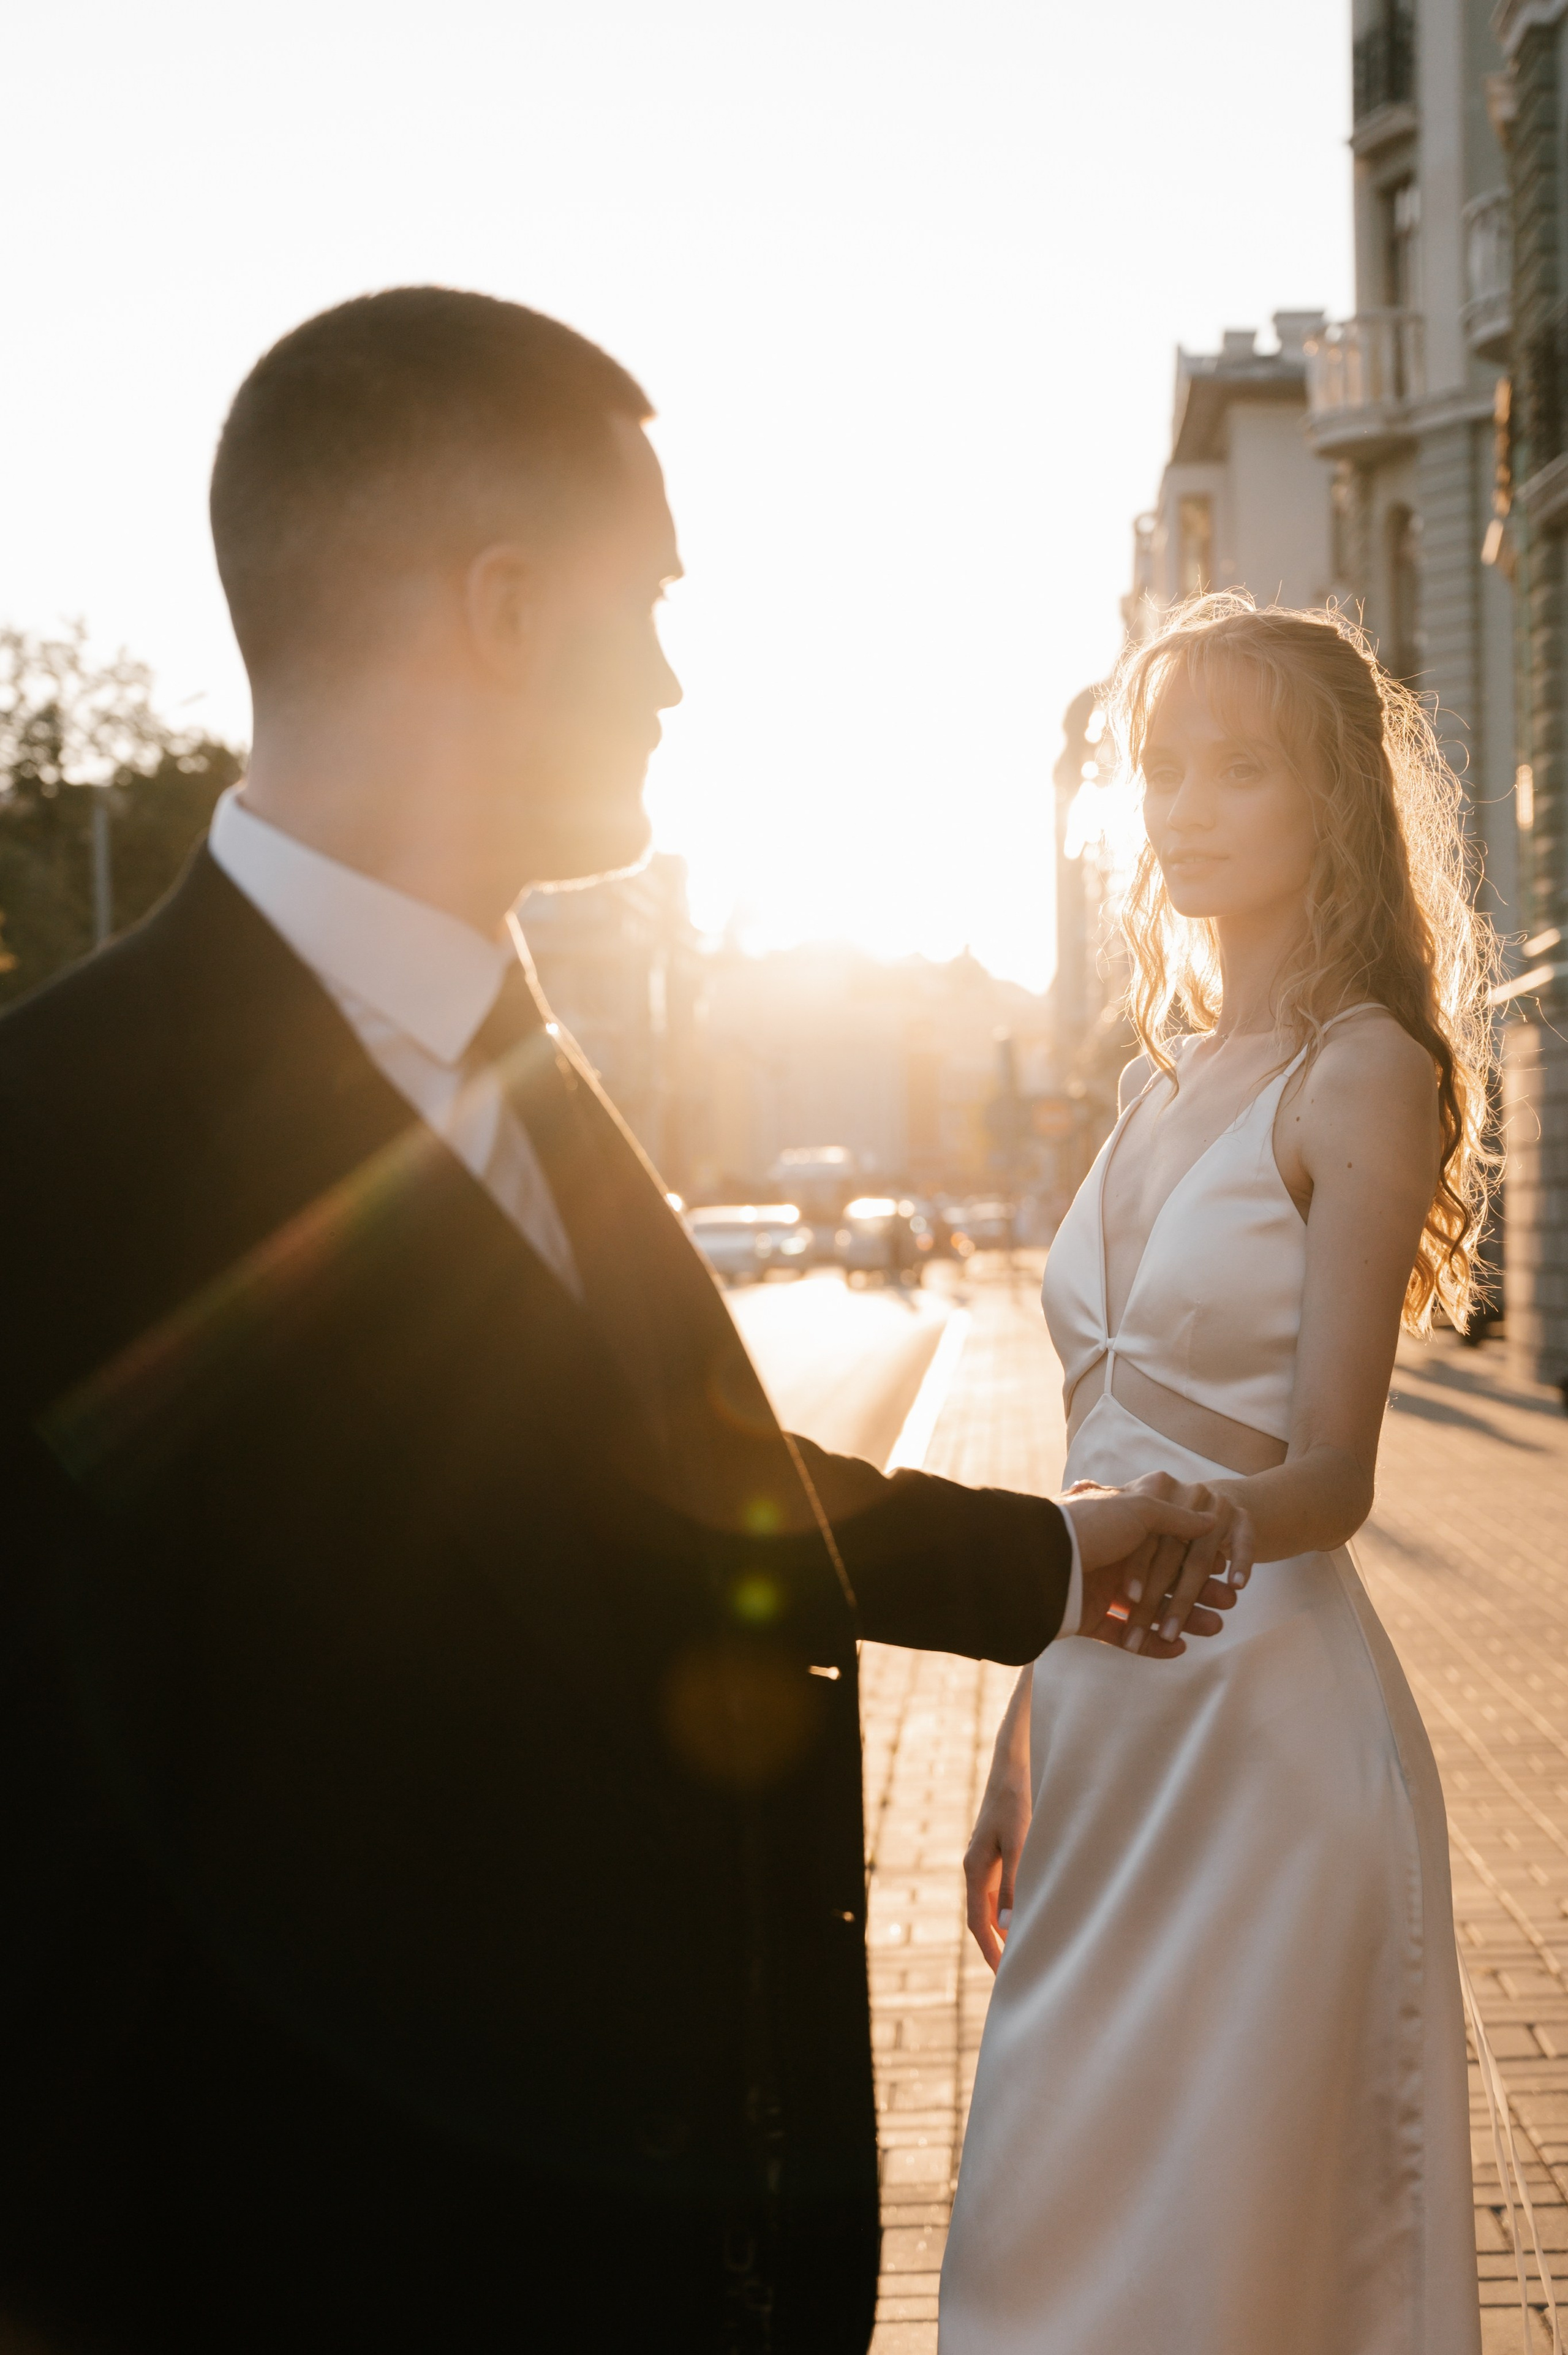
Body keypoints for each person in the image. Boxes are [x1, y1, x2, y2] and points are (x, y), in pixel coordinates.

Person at [0, 290, 1246, 2355]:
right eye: (649, 604)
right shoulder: (56, 1155)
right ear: (499, 607)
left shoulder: (516, 1066)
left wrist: (1046, 1557)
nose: (677, 676)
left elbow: (653, 1498)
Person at [941, 595, 1493, 2353]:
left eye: (1237, 767)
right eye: (1160, 767)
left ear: (1331, 800)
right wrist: (1027, 1731)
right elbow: (1091, 1444)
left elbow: (1331, 1470)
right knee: (1043, 2218)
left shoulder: (1365, 1071)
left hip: (1265, 1727)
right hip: (1108, 1722)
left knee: (1250, 2253)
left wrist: (1181, 1526)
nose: (1183, 805)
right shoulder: (1149, 1085)